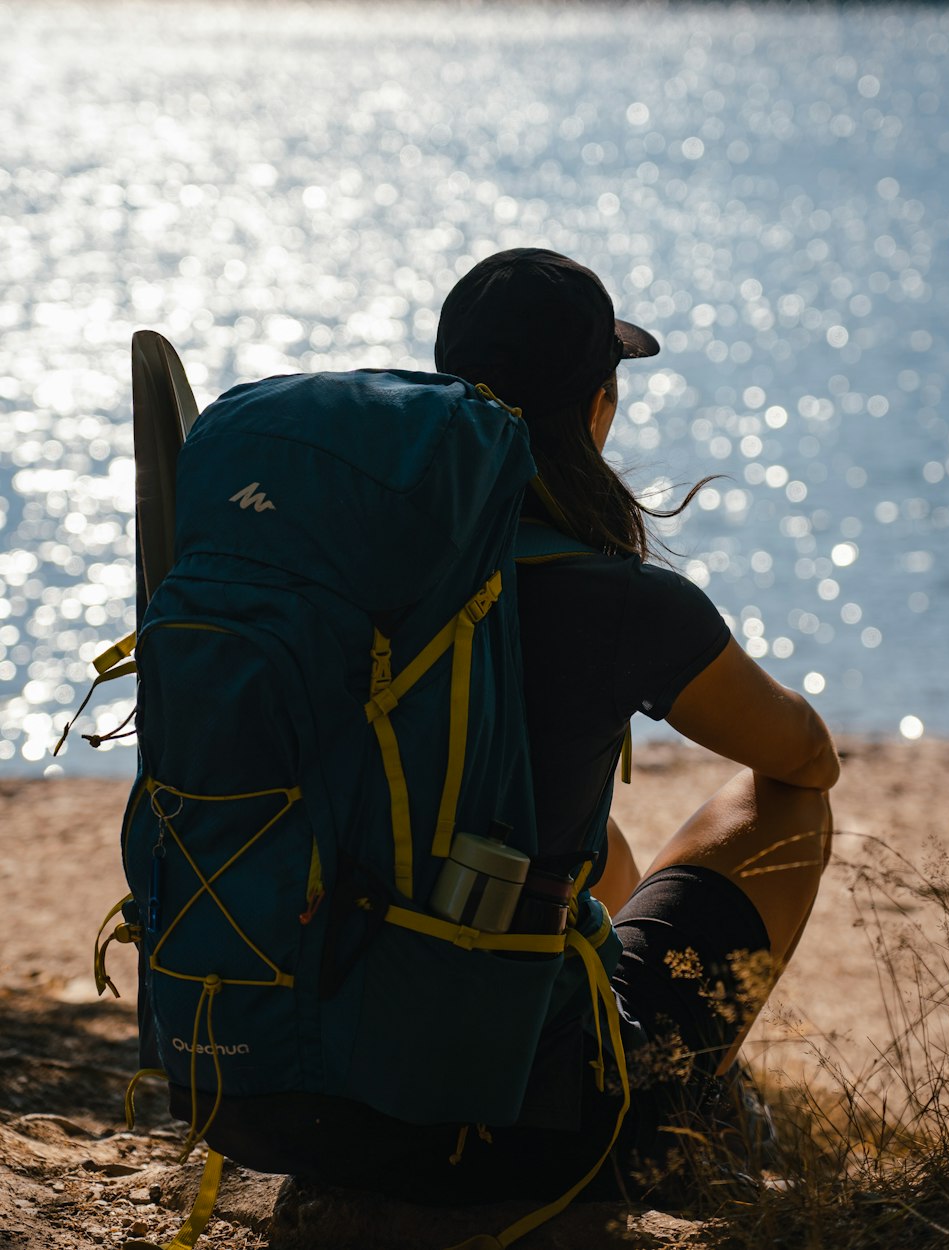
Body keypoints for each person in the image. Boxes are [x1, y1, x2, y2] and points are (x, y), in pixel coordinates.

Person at [191, 248, 838, 1210]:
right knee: (783, 802)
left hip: (285, 1102)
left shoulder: (363, 587)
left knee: (568, 831)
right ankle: (690, 1097)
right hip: (527, 1140)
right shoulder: (629, 604)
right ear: (598, 405)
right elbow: (806, 754)